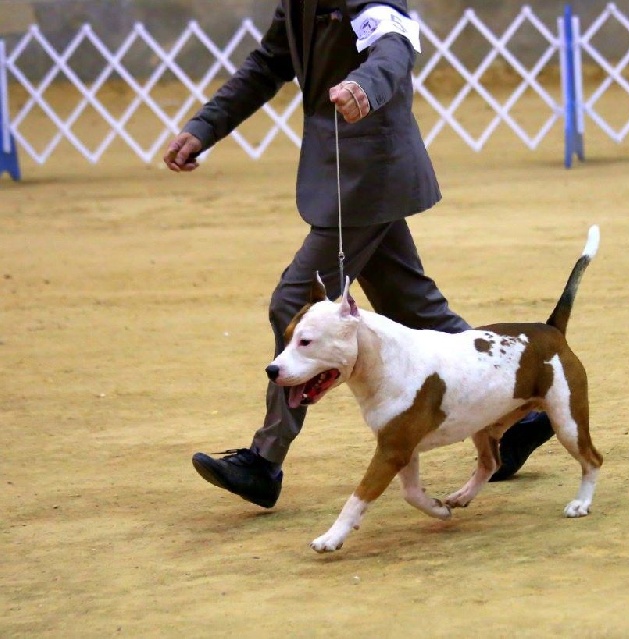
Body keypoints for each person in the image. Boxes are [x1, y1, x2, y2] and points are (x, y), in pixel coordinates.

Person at [163, 0, 554, 509]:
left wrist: (363, 87)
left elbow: (394, 43)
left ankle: (265, 461)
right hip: (347, 175)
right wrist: (205, 126)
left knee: (295, 302)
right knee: (416, 308)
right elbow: (268, 62)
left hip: (369, 174)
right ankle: (520, 417)